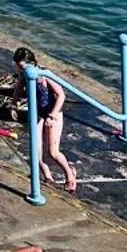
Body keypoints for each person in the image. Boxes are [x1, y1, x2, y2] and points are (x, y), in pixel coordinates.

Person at [13, 49, 77, 193]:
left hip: (53, 113)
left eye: (22, 66)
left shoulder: (44, 75)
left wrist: (52, 115)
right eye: (18, 67)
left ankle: (69, 174)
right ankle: (47, 174)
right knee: (35, 151)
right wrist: (13, 104)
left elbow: (61, 95)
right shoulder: (24, 74)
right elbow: (18, 88)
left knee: (53, 152)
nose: (20, 69)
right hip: (38, 113)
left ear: (32, 63)